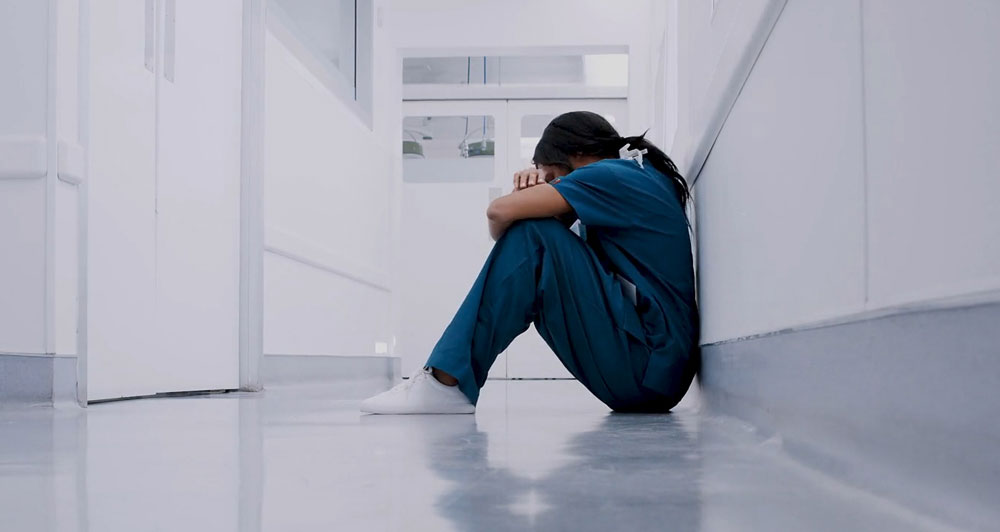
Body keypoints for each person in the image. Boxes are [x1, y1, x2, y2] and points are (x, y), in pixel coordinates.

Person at [361, 111, 699, 414]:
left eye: (551, 176)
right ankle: (446, 379)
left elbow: (500, 213)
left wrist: (523, 194)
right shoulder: (635, 173)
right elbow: (511, 244)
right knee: (535, 236)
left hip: (648, 366)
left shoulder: (610, 174)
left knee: (534, 232)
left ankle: (445, 382)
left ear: (577, 154)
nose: (551, 184)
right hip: (656, 372)